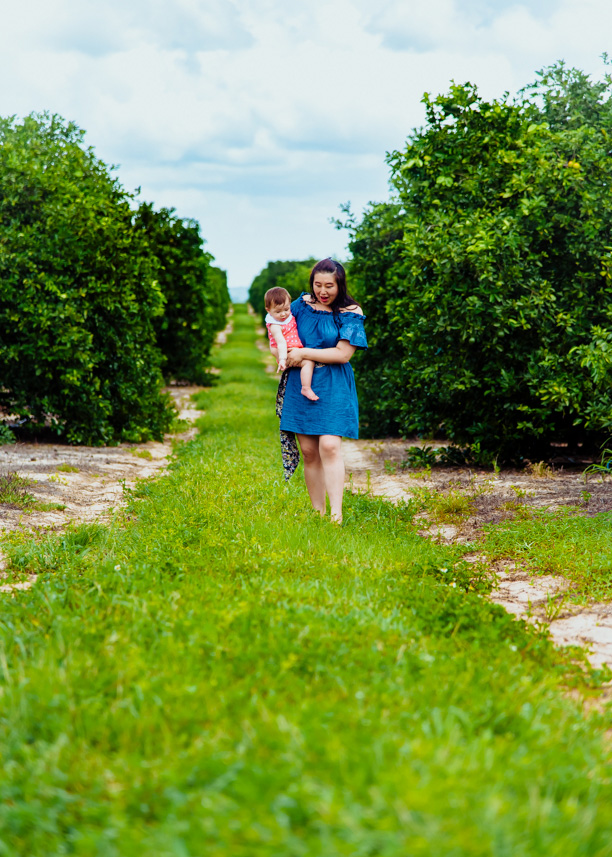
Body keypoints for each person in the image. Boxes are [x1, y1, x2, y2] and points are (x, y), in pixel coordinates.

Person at [280, 258, 367, 524]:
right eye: (318, 285)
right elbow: (279, 325)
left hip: (333, 383)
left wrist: (303, 352)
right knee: (308, 451)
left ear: (340, 285)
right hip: (300, 383)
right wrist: (282, 351)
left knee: (329, 446)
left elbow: (343, 354)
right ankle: (318, 513)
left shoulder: (350, 312)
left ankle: (336, 515)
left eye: (329, 285)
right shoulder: (301, 306)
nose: (323, 291)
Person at [265, 287, 318, 401]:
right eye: (278, 311)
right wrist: (283, 359)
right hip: (285, 351)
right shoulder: (275, 325)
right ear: (268, 310)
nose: (283, 314)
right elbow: (281, 342)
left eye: (286, 309)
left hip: (291, 348)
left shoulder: (288, 316)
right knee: (308, 362)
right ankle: (305, 387)